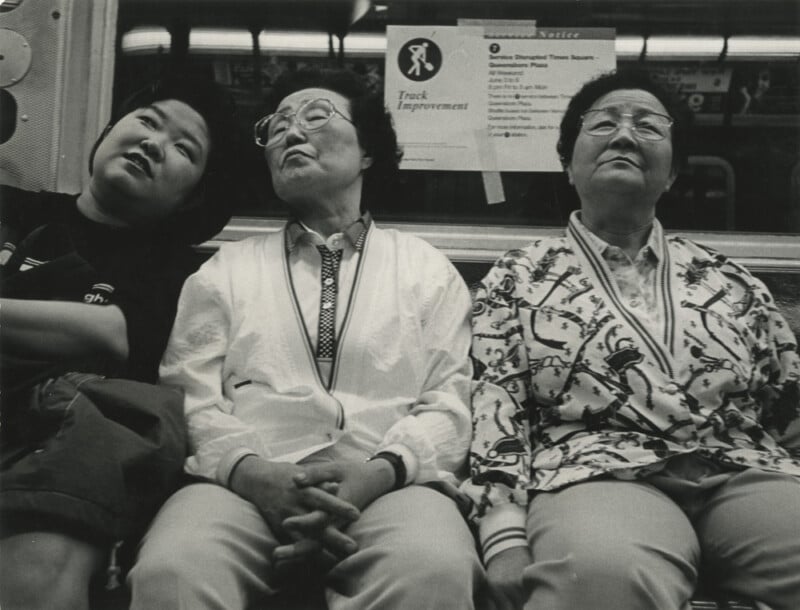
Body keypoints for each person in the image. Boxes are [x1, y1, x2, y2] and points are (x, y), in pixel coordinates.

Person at [128, 67, 483, 609]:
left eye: (316, 116)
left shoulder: (426, 269)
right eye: (277, 125)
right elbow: (188, 395)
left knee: (432, 567)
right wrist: (252, 473)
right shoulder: (225, 271)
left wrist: (378, 473)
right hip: (243, 480)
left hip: (390, 479)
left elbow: (450, 403)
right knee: (174, 568)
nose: (291, 133)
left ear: (367, 152)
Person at [463, 69, 800, 610]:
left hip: (742, 467)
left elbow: (789, 406)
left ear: (671, 175)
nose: (624, 136)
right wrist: (503, 535)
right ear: (568, 165)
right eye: (602, 123)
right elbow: (496, 408)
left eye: (649, 127)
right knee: (599, 576)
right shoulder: (518, 275)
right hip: (596, 472)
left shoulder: (729, 279)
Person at [0, 75, 240, 610]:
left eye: (183, 149)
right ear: (107, 132)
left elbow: (112, 333)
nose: (154, 142)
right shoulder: (12, 211)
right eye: (147, 121)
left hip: (55, 438)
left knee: (39, 558)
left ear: (192, 196)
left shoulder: (180, 273)